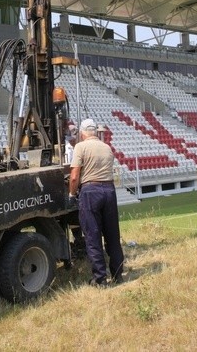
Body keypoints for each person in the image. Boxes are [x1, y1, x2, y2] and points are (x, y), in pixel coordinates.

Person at [69, 118, 124, 286]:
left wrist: (71, 195)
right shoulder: (107, 147)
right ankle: (118, 274)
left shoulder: (81, 147)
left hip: (90, 191)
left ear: (82, 133)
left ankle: (100, 279)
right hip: (109, 190)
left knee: (93, 236)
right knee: (112, 235)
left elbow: (74, 176)